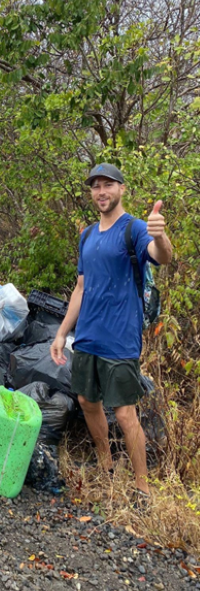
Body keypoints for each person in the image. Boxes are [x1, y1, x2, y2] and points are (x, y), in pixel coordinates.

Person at [50, 163, 172, 501]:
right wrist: (62, 333)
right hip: (88, 335)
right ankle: (106, 465)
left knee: (124, 412)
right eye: (95, 186)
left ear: (121, 189)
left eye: (108, 185)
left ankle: (142, 488)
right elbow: (80, 288)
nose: (101, 192)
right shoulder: (87, 235)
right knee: (87, 401)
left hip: (121, 337)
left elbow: (161, 255)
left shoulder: (133, 229)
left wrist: (160, 235)